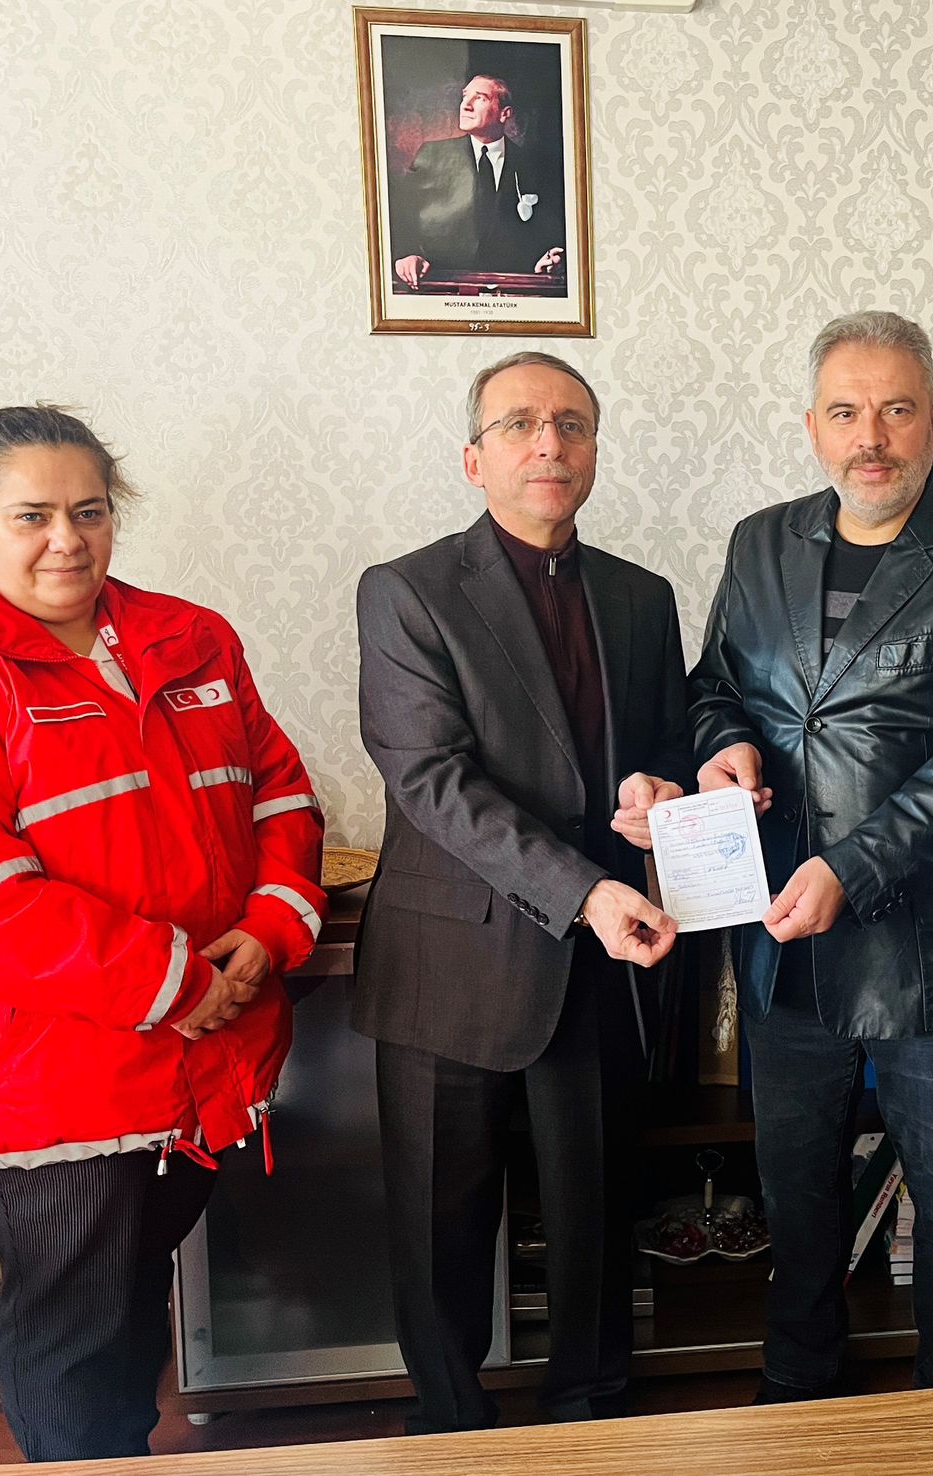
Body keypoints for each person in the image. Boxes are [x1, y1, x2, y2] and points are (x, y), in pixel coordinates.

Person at [0, 405, 326, 1461]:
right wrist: (180, 982)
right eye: (32, 515)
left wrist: (267, 926)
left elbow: (281, 797)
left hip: (196, 1065)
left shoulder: (193, 640)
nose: (66, 540)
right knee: (76, 1334)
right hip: (49, 1083)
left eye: (90, 512)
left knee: (127, 1308)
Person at [690, 310, 933, 1400]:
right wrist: (721, 749)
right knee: (794, 1195)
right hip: (781, 941)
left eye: (896, 410)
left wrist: (851, 870)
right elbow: (715, 686)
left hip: (925, 948)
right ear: (812, 425)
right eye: (847, 411)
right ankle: (797, 1400)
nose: (872, 437)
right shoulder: (760, 542)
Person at [354, 350, 690, 1431]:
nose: (549, 443)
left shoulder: (642, 597)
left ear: (593, 451)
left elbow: (663, 746)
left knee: (595, 1218)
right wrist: (587, 889)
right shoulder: (406, 592)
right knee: (439, 1228)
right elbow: (431, 782)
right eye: (519, 424)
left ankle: (589, 1420)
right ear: (474, 459)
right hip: (449, 962)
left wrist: (654, 789)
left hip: (599, 963)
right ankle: (451, 1429)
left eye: (572, 424)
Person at [390, 73, 567, 289]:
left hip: (512, 289)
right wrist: (407, 254)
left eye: (480, 98)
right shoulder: (432, 155)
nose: (466, 105)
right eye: (465, 96)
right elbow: (403, 216)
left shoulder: (533, 164)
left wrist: (547, 258)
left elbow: (546, 232)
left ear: (505, 113)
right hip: (444, 286)